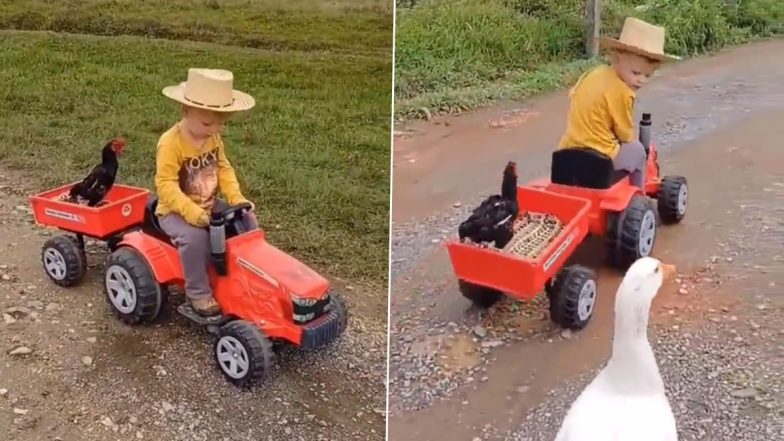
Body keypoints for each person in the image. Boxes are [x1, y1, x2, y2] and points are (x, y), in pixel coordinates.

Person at [154, 68, 259, 316]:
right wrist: (191, 212)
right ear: (186, 111)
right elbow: (165, 185)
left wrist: (236, 198)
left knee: (247, 221)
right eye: (208, 123)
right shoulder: (170, 143)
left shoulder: (212, 138)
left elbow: (223, 168)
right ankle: (197, 294)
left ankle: (245, 278)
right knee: (195, 239)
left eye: (221, 124)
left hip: (208, 204)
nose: (214, 129)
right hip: (175, 211)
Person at [557, 17, 679, 189]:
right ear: (617, 59)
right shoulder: (623, 92)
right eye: (635, 73)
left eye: (647, 76)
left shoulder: (594, 73)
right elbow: (625, 134)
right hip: (599, 154)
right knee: (638, 151)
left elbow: (576, 98)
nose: (640, 80)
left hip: (568, 147)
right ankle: (638, 193)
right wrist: (629, 140)